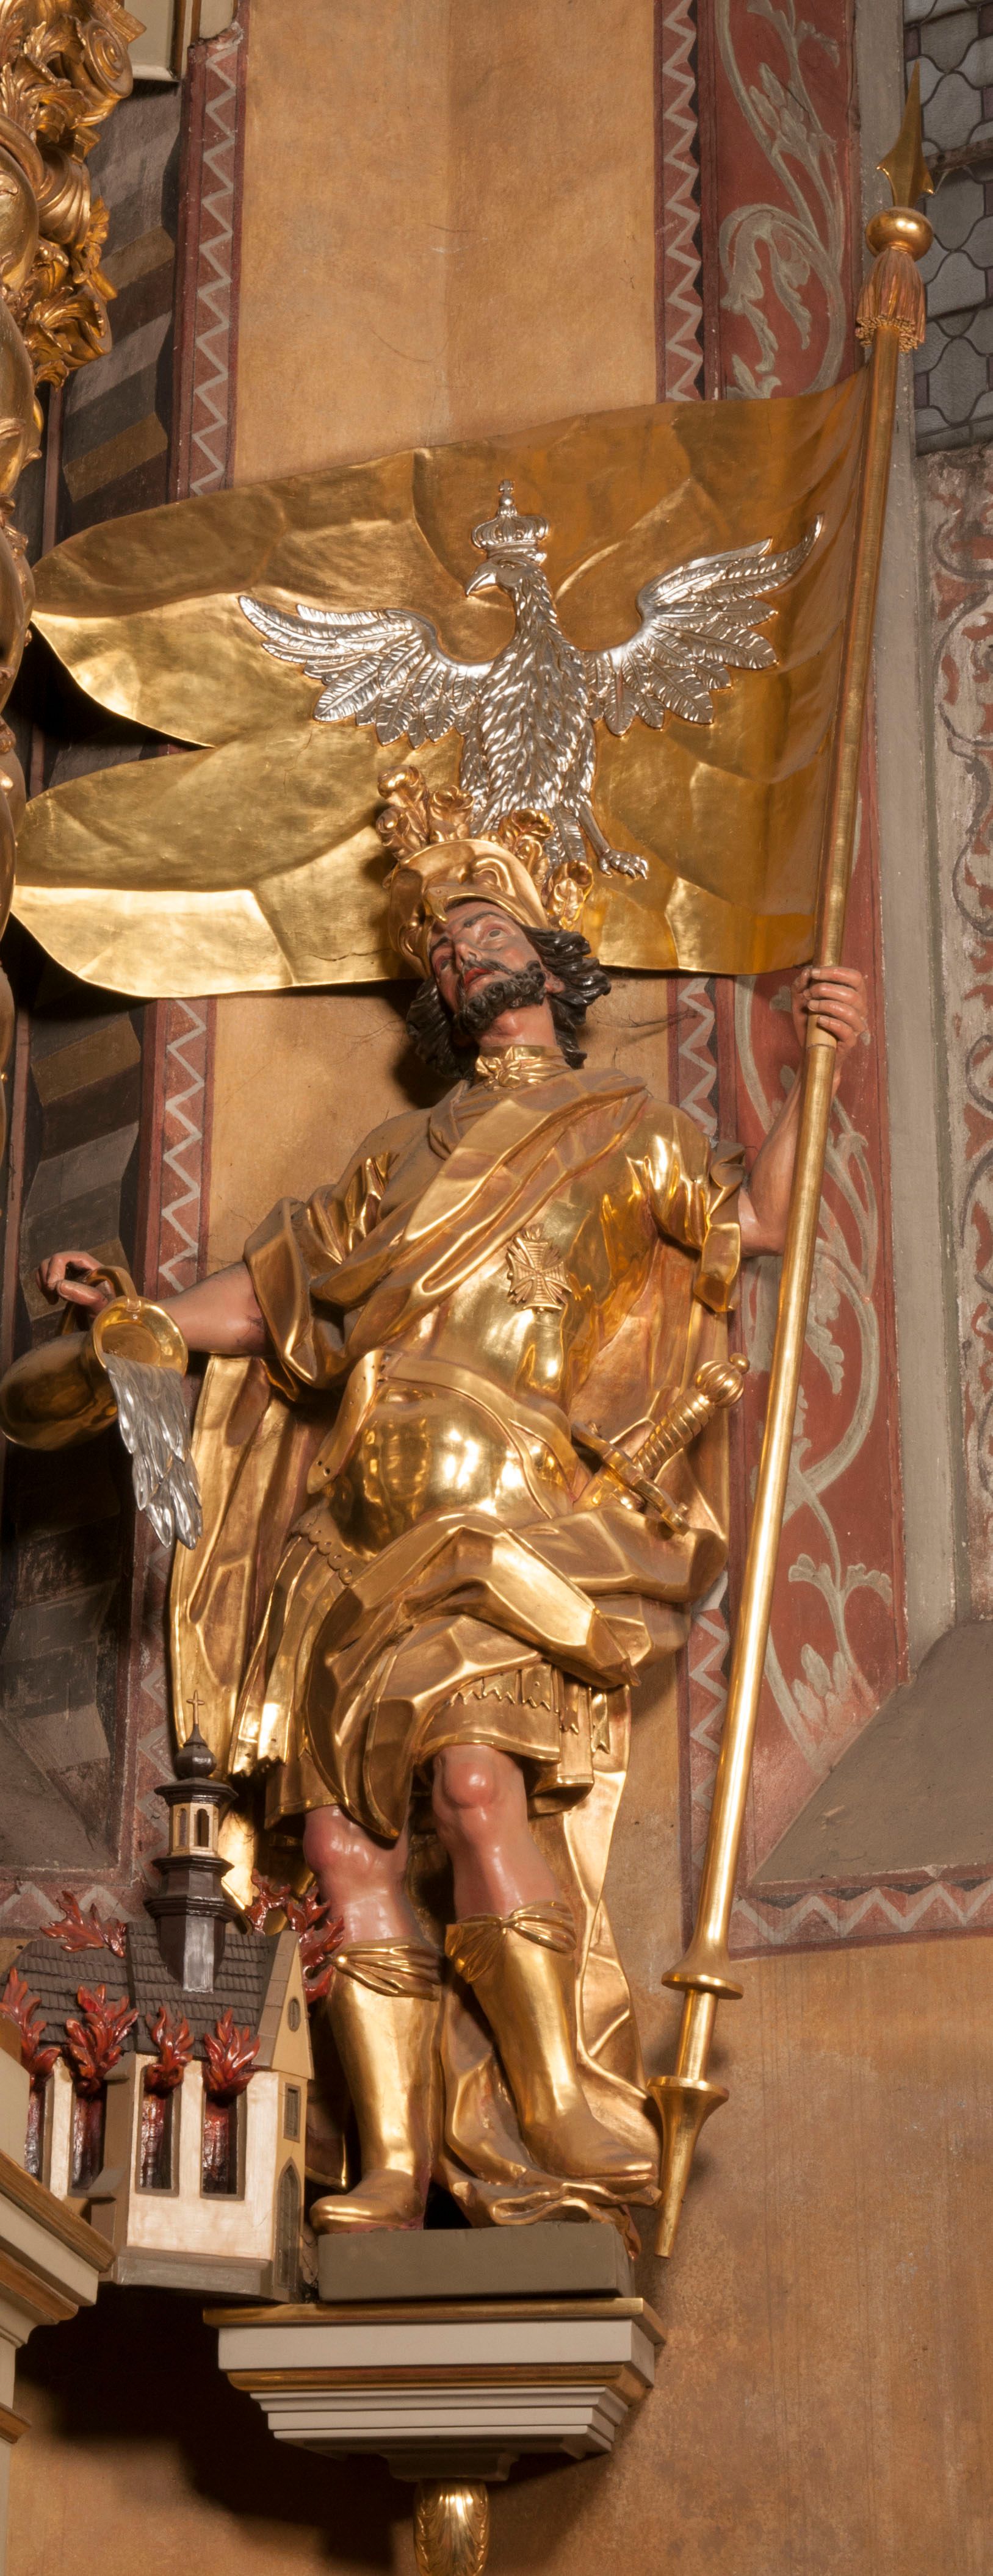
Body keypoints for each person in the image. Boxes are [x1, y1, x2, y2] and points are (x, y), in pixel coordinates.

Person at [40, 773, 868, 2243]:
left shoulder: (625, 1125)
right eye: (438, 942)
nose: (455, 949)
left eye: (481, 926)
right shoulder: (395, 1159)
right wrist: (143, 1317)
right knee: (342, 1846)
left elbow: (755, 1220)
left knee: (476, 1783)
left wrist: (819, 1068)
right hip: (348, 1527)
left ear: (548, 957)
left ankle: (553, 2099)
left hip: (505, 1510)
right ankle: (390, 2157)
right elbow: (279, 1297)